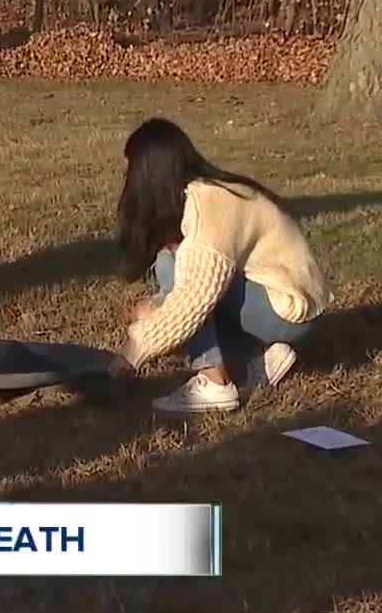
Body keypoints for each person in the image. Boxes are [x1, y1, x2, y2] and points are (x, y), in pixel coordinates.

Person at [108, 118, 334, 413]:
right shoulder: (213, 190)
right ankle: (260, 359)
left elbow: (192, 300)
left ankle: (214, 384)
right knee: (178, 269)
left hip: (286, 308)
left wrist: (132, 351)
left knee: (171, 264)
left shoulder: (208, 203)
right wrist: (155, 307)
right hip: (296, 300)